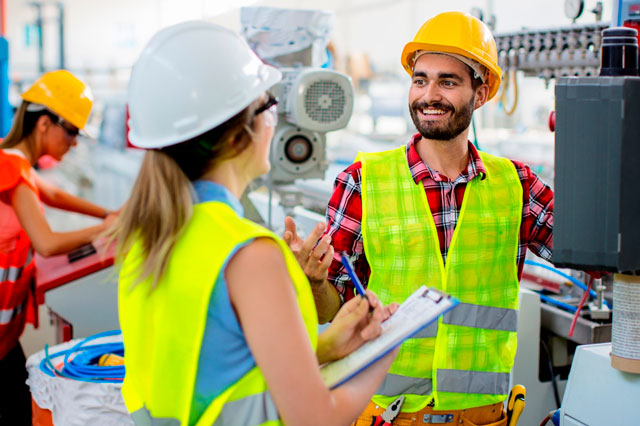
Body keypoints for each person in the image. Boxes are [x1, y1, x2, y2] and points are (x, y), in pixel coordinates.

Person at [115, 21, 398, 426]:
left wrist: (325, 346)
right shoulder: (251, 255)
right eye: (269, 105)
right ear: (236, 137)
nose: (276, 120)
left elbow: (212, 369)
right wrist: (383, 354)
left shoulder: (149, 235)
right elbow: (317, 418)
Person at [284, 11, 555, 426]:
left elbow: (592, 248)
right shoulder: (361, 182)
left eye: (448, 82)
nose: (429, 95)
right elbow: (331, 312)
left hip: (481, 418)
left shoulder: (517, 185)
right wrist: (316, 281)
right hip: (387, 416)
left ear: (480, 94)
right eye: (420, 79)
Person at [0, 70, 117, 425]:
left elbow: (51, 194)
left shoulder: (14, 163)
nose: (75, 143)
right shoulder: (11, 168)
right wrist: (108, 229)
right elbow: (47, 243)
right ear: (45, 123)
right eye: (71, 132)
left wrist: (109, 213)